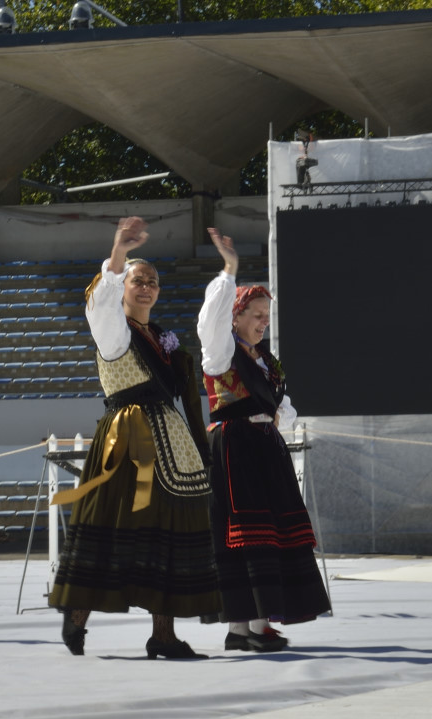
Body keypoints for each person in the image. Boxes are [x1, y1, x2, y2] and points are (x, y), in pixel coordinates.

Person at [48, 216, 219, 659]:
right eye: (137, 281)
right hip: (127, 438)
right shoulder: (114, 330)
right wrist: (118, 252)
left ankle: (163, 633)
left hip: (172, 441)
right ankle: (78, 613)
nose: (145, 287)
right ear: (123, 286)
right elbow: (98, 303)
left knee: (170, 530)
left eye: (152, 282)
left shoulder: (163, 339)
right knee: (114, 526)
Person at [195, 228, 331, 652]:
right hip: (235, 448)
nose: (262, 323)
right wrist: (230, 270)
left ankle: (251, 627)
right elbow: (209, 322)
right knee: (246, 532)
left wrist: (276, 416)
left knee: (271, 532)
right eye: (255, 314)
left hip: (264, 447)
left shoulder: (267, 362)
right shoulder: (221, 352)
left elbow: (282, 408)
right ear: (235, 316)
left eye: (266, 318)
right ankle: (245, 628)